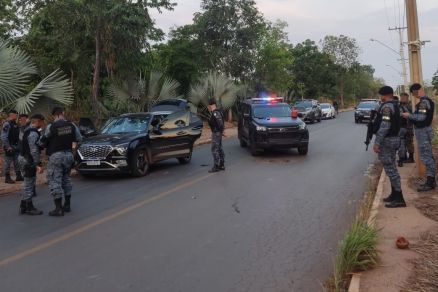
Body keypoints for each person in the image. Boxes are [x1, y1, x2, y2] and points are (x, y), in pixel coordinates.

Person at [39, 107, 82, 216]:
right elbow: (79, 139)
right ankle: (67, 205)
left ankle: (58, 208)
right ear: (63, 113)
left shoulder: (51, 126)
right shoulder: (72, 125)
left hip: (56, 156)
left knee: (55, 180)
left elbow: (42, 141)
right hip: (68, 155)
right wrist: (71, 147)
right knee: (66, 179)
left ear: (54, 115)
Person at [374, 86, 406, 208]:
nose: (380, 98)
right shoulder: (395, 105)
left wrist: (377, 143)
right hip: (393, 139)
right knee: (391, 167)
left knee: (391, 169)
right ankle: (394, 194)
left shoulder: (387, 107)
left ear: (384, 95)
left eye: (380, 95)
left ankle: (399, 198)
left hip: (387, 141)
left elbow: (384, 126)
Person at [402, 83, 436, 192]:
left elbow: (421, 118)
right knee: (428, 156)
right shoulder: (424, 101)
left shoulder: (424, 102)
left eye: (414, 93)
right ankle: (430, 180)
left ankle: (430, 183)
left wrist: (409, 115)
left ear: (417, 91)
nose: (414, 95)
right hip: (424, 132)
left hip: (423, 132)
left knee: (427, 157)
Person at [18, 114, 45, 215]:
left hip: (22, 158)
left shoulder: (27, 130)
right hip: (28, 160)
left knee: (27, 182)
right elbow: (34, 150)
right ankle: (29, 207)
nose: (43, 124)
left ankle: (23, 205)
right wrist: (38, 164)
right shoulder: (33, 133)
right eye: (42, 122)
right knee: (29, 184)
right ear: (38, 121)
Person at [1, 109, 24, 184]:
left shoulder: (15, 124)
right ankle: (7, 177)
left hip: (16, 145)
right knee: (8, 162)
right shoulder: (7, 124)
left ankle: (18, 176)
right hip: (9, 146)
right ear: (12, 115)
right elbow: (3, 136)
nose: (17, 116)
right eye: (16, 115)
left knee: (17, 161)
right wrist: (8, 146)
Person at [207, 98, 225, 173]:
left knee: (215, 149)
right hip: (218, 132)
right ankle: (221, 164)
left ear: (210, 105)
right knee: (219, 148)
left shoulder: (215, 113)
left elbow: (220, 123)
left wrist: (221, 131)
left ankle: (217, 166)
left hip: (216, 133)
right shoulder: (217, 112)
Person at [399, 93, 415, 165]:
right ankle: (404, 157)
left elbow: (412, 116)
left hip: (409, 127)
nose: (402, 99)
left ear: (407, 98)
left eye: (404, 98)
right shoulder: (400, 105)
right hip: (402, 127)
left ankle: (411, 158)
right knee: (402, 143)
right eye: (401, 97)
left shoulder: (410, 106)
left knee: (409, 142)